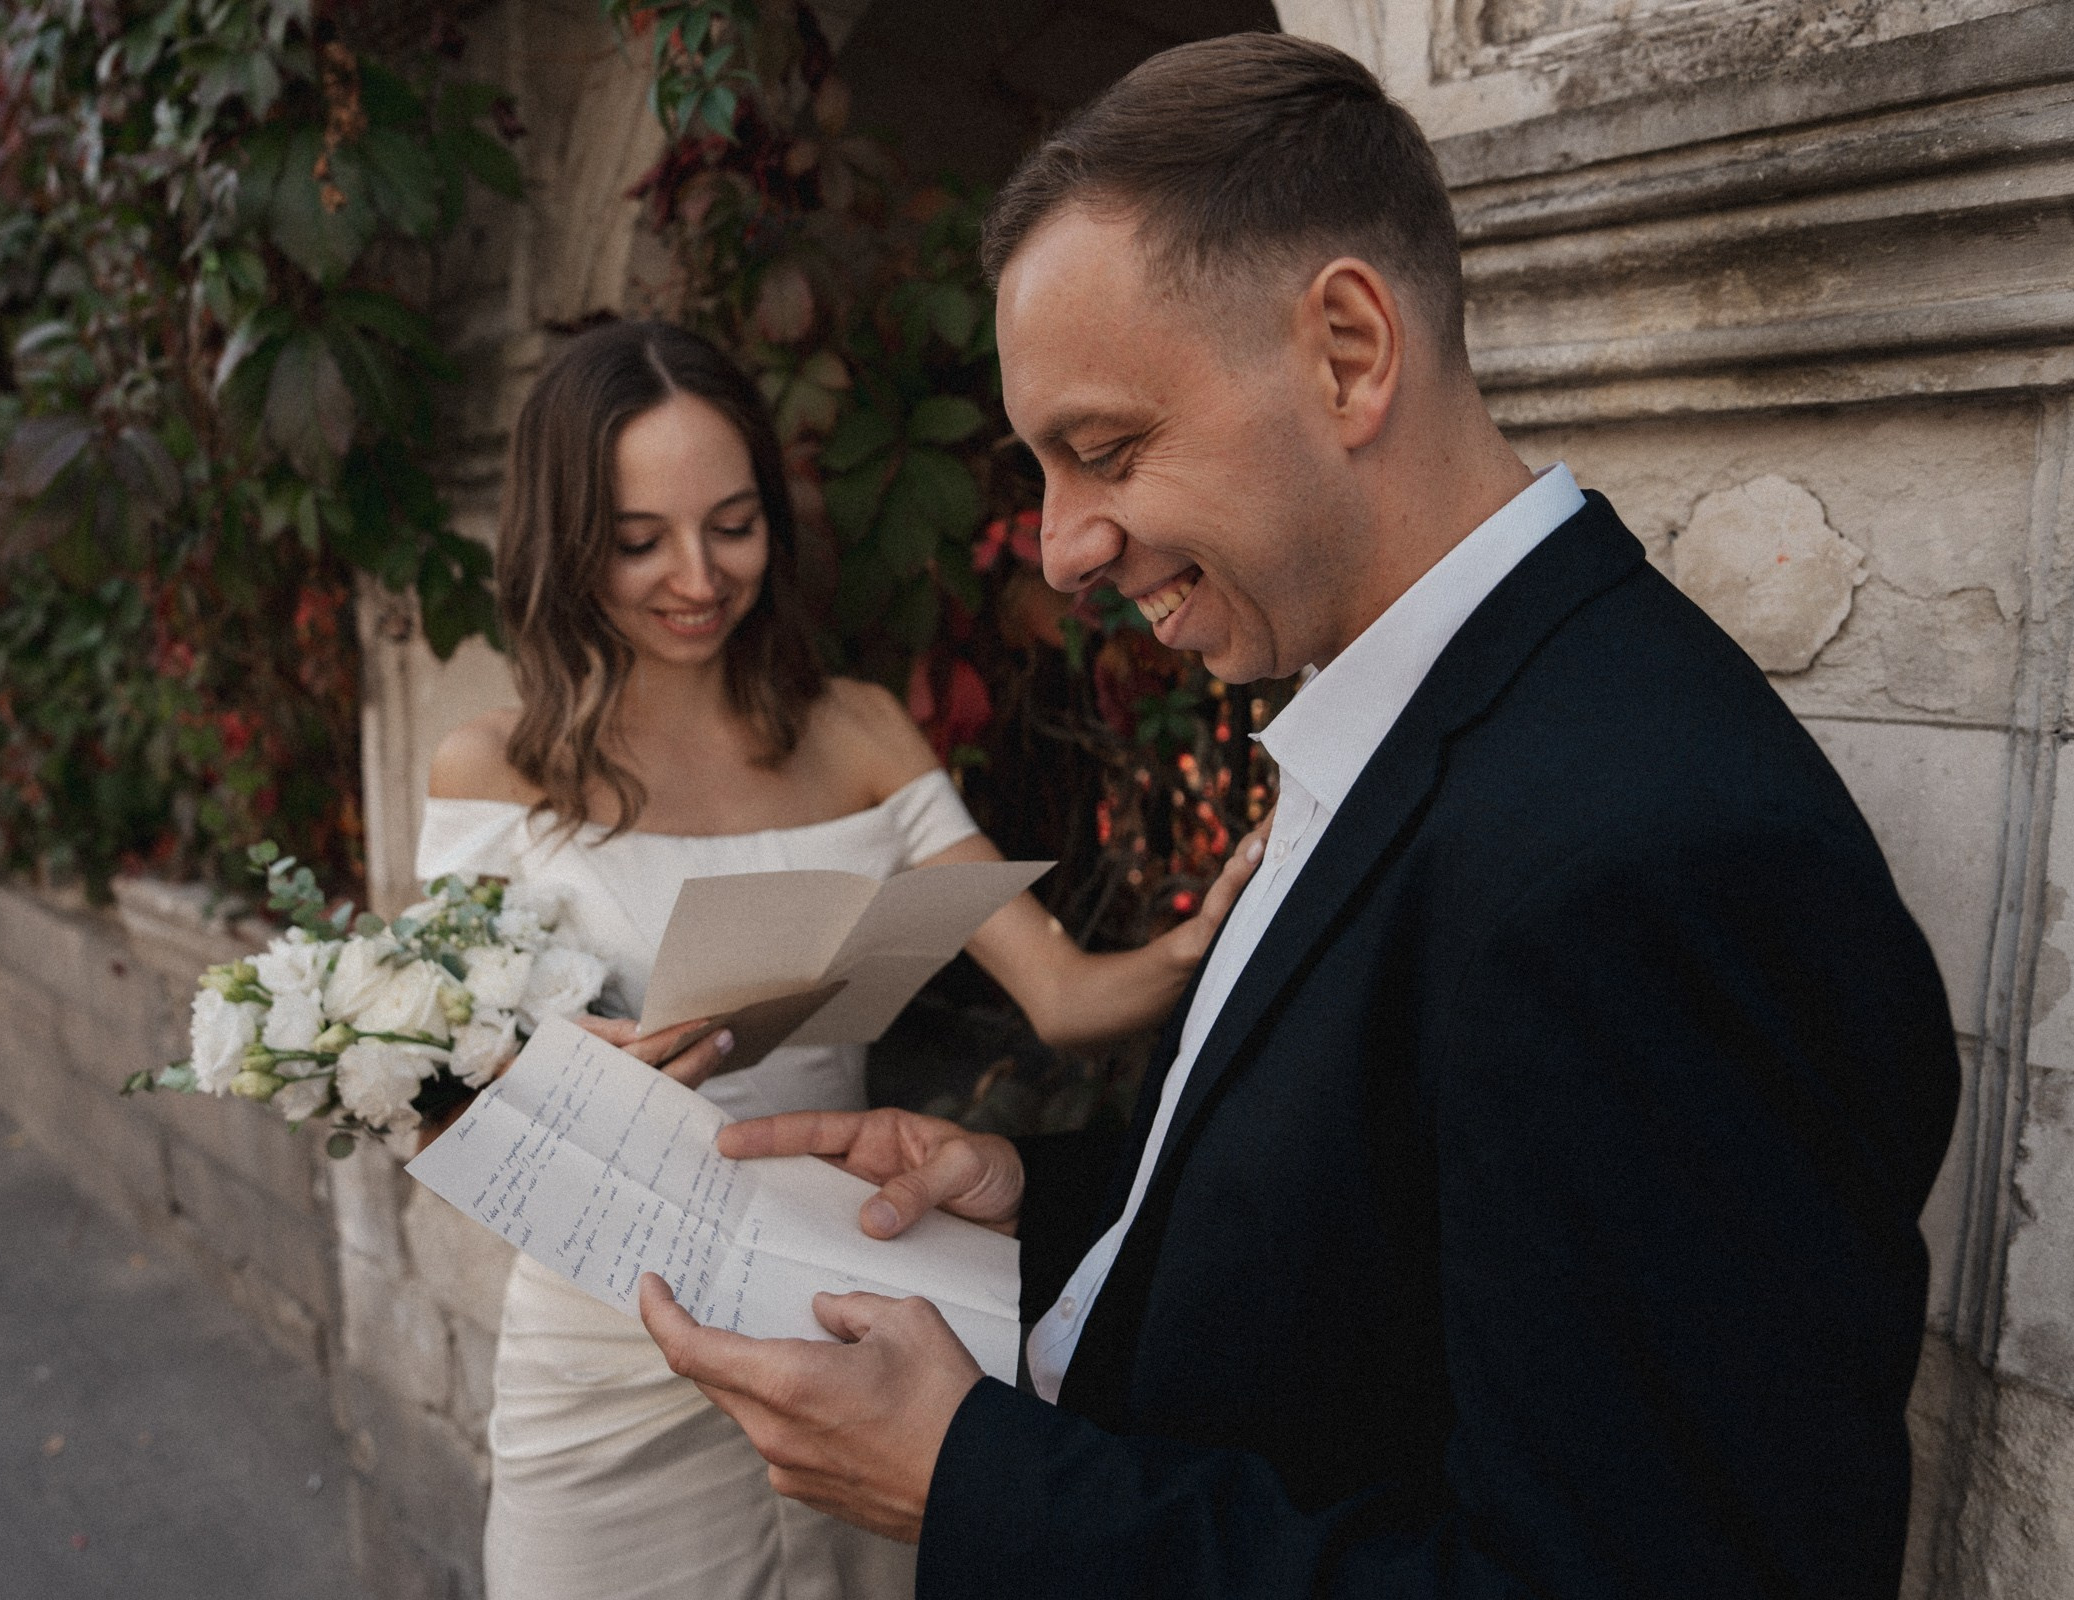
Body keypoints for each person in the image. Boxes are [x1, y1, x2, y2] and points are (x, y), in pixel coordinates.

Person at [634, 33, 1961, 1600]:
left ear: (1347, 350)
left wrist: (980, 1483)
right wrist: (1033, 1213)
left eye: (1105, 451)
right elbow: (1380, 1248)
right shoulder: (1420, 710)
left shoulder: (1654, 857)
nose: (1061, 548)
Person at [416, 318, 1266, 1600]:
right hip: (603, 1345)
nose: (698, 575)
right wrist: (558, 1076)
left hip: (848, 1312)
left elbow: (1064, 996)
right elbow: (434, 1102)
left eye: (733, 524)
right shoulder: (493, 769)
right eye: (639, 540)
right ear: (565, 543)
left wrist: (1209, 937)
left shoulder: (860, 731)